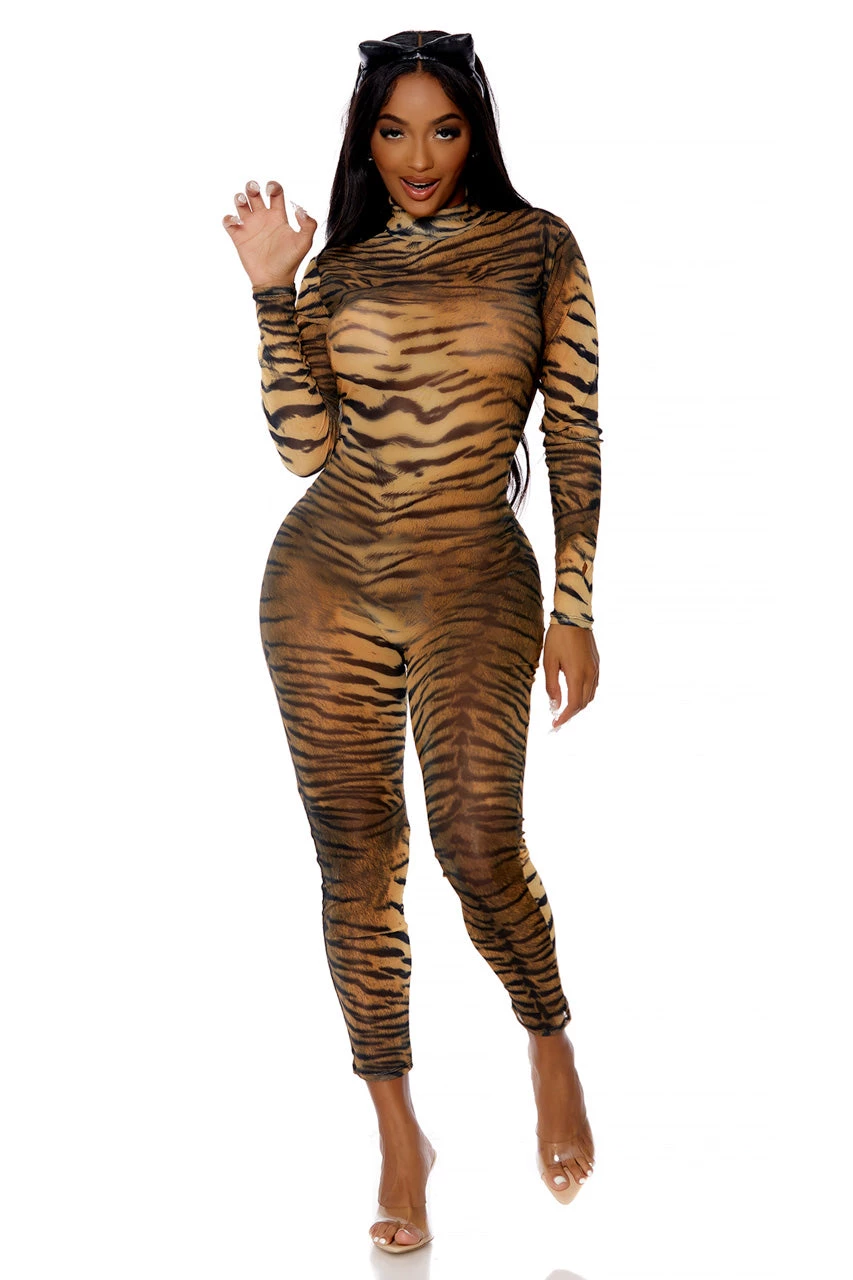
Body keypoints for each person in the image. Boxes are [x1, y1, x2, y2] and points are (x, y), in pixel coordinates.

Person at [223, 29, 600, 1254]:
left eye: (443, 129)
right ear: (365, 140)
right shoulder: (337, 270)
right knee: (356, 855)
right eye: (393, 132)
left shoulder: (540, 247)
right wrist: (274, 290)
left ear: (475, 131)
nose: (419, 157)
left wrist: (575, 603)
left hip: (474, 575)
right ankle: (397, 1130)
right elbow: (302, 450)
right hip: (323, 581)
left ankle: (548, 1037)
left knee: (478, 841)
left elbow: (576, 432)